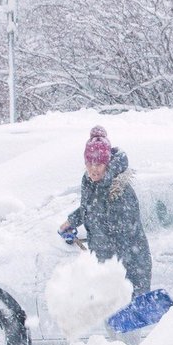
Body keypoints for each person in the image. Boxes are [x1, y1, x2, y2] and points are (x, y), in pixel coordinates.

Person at [59, 126, 152, 299]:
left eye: (99, 164)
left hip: (128, 270)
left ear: (107, 163)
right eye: (89, 163)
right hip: (108, 268)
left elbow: (123, 241)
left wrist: (113, 278)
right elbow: (92, 207)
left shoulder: (120, 192)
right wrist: (72, 221)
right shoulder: (92, 181)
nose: (94, 169)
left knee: (121, 323)